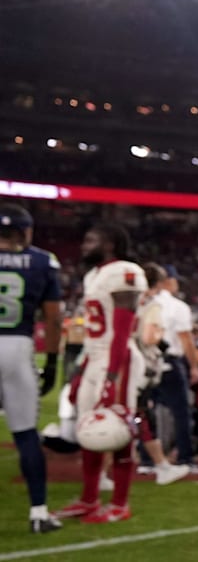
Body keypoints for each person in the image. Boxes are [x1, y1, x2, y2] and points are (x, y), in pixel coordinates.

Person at [54, 222, 148, 524]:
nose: (84, 244)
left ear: (109, 244)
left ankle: (120, 503)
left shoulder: (125, 272)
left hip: (117, 359)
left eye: (91, 239)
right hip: (94, 357)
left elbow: (121, 332)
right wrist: (81, 373)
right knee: (88, 429)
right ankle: (89, 498)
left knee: (118, 429)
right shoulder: (93, 274)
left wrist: (112, 377)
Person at [0, 203, 63, 533]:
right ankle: (39, 512)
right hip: (18, 346)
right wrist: (52, 361)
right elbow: (53, 318)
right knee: (25, 435)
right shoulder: (42, 261)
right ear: (25, 231)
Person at [137, 264, 198, 475]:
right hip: (169, 362)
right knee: (181, 413)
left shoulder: (140, 303)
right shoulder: (177, 306)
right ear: (166, 282)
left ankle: (147, 459)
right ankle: (185, 458)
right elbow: (186, 341)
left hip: (144, 362)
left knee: (145, 412)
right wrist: (194, 366)